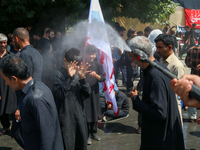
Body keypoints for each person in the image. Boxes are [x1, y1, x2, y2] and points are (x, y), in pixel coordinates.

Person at [129, 36, 185, 150]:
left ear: (139, 56)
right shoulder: (157, 68)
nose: (131, 60)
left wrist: (135, 100)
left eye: (132, 57)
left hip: (161, 140)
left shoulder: (155, 76)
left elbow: (159, 113)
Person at [0, 55, 64, 150]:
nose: (6, 84)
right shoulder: (35, 88)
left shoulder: (36, 98)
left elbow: (47, 138)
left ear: (14, 78)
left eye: (5, 80)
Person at [53, 48, 91, 150]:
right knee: (67, 144)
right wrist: (69, 78)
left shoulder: (79, 74)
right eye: (72, 64)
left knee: (81, 143)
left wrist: (83, 80)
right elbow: (60, 94)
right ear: (65, 61)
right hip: (65, 118)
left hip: (79, 116)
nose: (75, 67)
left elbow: (87, 94)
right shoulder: (59, 75)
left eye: (77, 64)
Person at [155, 34, 185, 125]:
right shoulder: (161, 61)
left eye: (160, 47)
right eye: (156, 47)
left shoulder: (176, 66)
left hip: (172, 109)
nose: (157, 50)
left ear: (170, 47)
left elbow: (178, 93)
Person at [84, 44, 105, 145]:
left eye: (93, 54)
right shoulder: (83, 64)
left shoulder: (98, 65)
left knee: (95, 111)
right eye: (89, 54)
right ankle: (87, 134)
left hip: (95, 92)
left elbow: (103, 78)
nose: (91, 56)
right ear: (86, 54)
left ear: (96, 54)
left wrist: (96, 76)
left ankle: (94, 132)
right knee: (87, 113)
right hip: (85, 93)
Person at [0, 33, 17, 136]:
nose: (3, 45)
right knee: (1, 109)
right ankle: (6, 127)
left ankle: (16, 129)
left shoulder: (11, 57)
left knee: (12, 108)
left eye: (5, 42)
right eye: (1, 43)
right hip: (0, 87)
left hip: (10, 87)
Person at [184, 44, 200, 122]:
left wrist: (194, 66)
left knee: (193, 95)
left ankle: (192, 117)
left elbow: (187, 63)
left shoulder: (191, 49)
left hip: (194, 75)